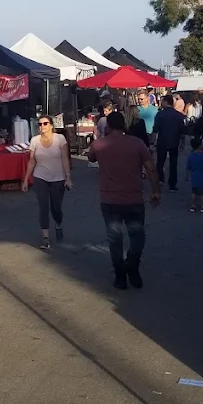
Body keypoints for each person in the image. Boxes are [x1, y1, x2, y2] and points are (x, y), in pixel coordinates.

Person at [86, 111, 161, 289]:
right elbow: (151, 168)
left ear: (108, 126)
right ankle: (132, 264)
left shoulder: (99, 144)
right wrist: (156, 191)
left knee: (115, 239)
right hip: (133, 197)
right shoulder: (137, 143)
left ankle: (120, 275)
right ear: (124, 125)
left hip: (109, 198)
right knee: (137, 235)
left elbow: (90, 157)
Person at [20, 116, 72, 250]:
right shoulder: (35, 141)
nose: (42, 126)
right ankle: (46, 238)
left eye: (45, 123)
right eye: (40, 124)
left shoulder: (60, 139)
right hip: (40, 177)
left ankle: (58, 224)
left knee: (56, 208)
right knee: (43, 207)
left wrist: (68, 177)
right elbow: (32, 161)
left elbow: (65, 158)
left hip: (58, 178)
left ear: (51, 126)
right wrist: (26, 179)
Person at [153, 94, 186, 192]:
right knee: (173, 163)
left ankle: (160, 179)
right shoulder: (178, 115)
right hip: (174, 141)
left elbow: (155, 129)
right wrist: (182, 143)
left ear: (166, 102)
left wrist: (153, 142)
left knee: (160, 162)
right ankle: (172, 184)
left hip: (162, 141)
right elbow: (182, 131)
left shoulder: (160, 114)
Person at [186, 137, 203, 214]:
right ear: (199, 146)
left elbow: (188, 167)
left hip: (194, 176)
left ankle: (193, 205)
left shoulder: (191, 156)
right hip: (202, 176)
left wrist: (187, 176)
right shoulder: (202, 156)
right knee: (202, 193)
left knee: (194, 191)